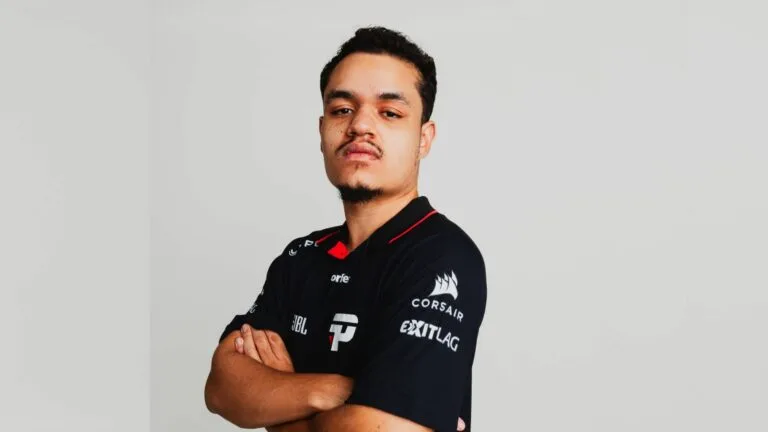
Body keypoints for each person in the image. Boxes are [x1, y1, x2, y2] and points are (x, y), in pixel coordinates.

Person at [204, 26, 487, 432]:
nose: (360, 126)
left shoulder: (441, 256)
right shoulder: (301, 257)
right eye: (342, 110)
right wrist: (334, 391)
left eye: (389, 113)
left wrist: (280, 404)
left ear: (424, 139)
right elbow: (221, 388)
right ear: (321, 131)